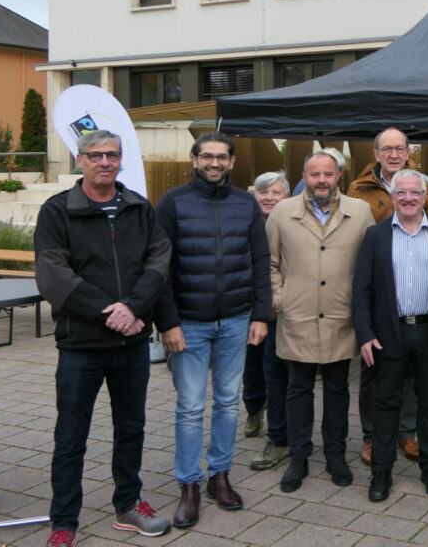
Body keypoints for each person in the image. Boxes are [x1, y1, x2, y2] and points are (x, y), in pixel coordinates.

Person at [35, 130, 172, 546]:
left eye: (112, 155)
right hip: (81, 346)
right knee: (71, 434)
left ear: (121, 159)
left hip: (131, 346)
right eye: (95, 155)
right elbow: (54, 275)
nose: (104, 163)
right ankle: (63, 521)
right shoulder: (59, 211)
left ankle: (128, 505)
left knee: (131, 427)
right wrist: (113, 313)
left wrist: (133, 306)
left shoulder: (138, 208)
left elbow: (159, 260)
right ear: (80, 159)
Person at [155, 131, 271, 529]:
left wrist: (261, 314)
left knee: (226, 400)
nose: (215, 163)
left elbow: (261, 260)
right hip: (188, 323)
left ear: (233, 162)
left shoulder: (246, 204)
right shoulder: (172, 203)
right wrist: (167, 322)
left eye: (222, 157)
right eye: (208, 156)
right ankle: (189, 483)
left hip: (237, 320)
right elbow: (160, 269)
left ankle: (219, 475)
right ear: (194, 159)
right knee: (189, 407)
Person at [352, 169, 428, 501]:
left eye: (414, 193)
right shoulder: (375, 236)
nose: (407, 198)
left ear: (424, 197)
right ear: (392, 197)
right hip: (388, 334)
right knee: (386, 404)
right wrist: (364, 334)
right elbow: (361, 290)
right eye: (401, 192)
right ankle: (381, 473)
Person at [267, 150, 375, 493]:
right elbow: (267, 263)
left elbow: (370, 265)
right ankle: (298, 457)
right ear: (303, 176)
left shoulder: (360, 212)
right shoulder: (283, 212)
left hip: (341, 316)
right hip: (296, 316)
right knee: (297, 390)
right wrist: (280, 299)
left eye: (328, 174)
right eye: (314, 175)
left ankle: (335, 456)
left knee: (338, 388)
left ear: (339, 176)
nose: (322, 181)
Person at [348, 128, 428, 466]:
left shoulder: (423, 184)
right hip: (376, 285)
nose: (394, 154)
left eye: (399, 148)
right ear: (376, 154)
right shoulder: (358, 189)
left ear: (407, 151)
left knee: (413, 369)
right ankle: (372, 437)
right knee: (373, 368)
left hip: (413, 286)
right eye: (386, 149)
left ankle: (407, 432)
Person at [247, 171, 292, 473]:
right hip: (247, 310)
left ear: (286, 196)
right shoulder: (247, 224)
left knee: (275, 371)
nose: (269, 197)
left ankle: (279, 437)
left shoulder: (292, 224)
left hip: (279, 312)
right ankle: (253, 409)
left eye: (275, 192)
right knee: (250, 368)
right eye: (263, 192)